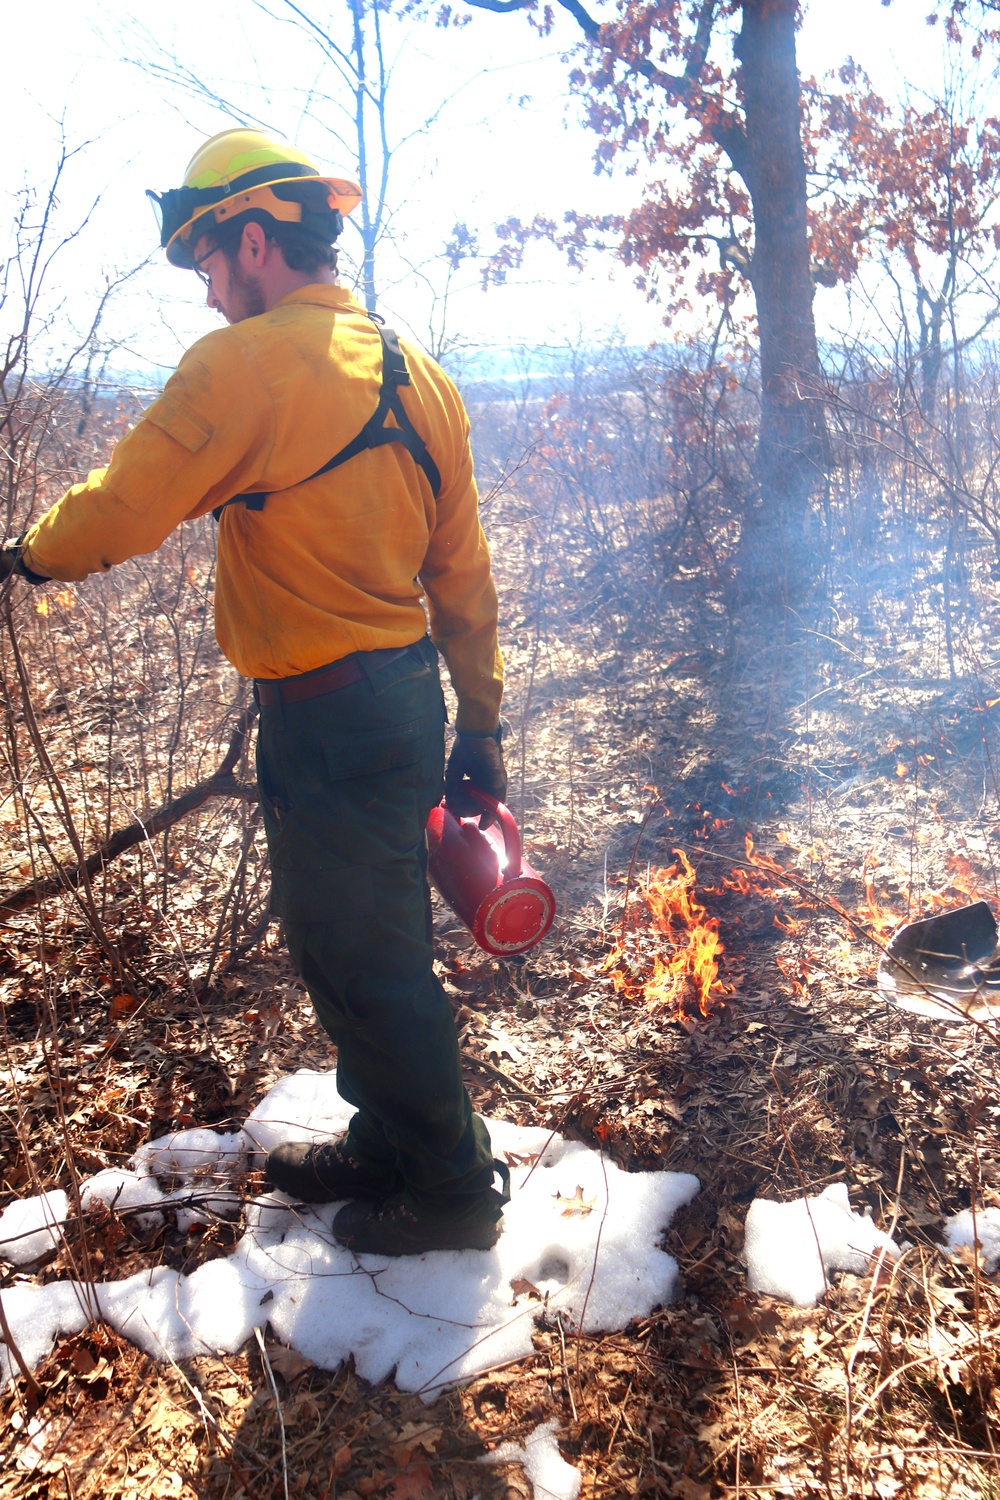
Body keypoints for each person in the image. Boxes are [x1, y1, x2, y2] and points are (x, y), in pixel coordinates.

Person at [0, 128, 510, 1256]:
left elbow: (124, 509)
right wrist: (479, 716)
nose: (207, 288)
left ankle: (455, 1186)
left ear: (251, 237)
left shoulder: (242, 365)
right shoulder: (418, 374)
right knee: (335, 939)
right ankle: (387, 1134)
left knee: (368, 955)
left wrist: (31, 554)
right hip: (395, 703)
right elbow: (461, 569)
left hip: (332, 718)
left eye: (204, 262)